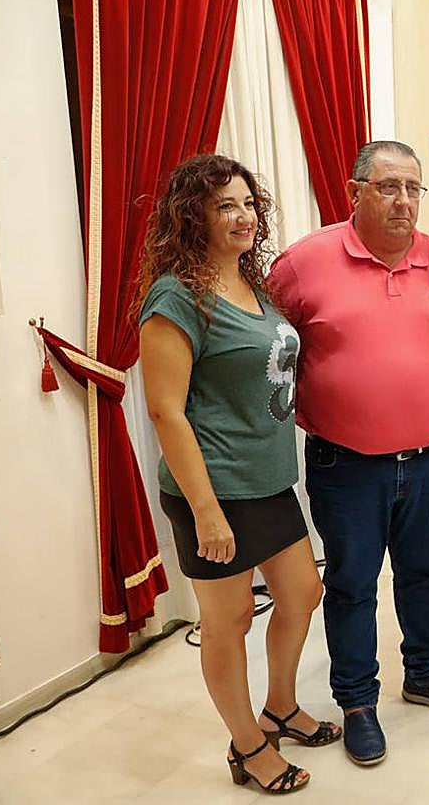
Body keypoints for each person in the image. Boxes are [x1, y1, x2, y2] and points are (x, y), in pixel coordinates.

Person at [266, 140, 429, 768]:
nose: (404, 202)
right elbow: (261, 339)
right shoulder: (304, 263)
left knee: (425, 573)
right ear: (354, 190)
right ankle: (358, 702)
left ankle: (426, 672)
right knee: (353, 584)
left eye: (414, 189)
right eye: (388, 187)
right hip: (346, 463)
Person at [137, 154, 338, 796]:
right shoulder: (175, 294)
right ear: (190, 214)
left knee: (303, 594)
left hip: (270, 480)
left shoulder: (252, 283)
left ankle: (280, 706)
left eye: (249, 203)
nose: (243, 216)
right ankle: (248, 745)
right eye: (225, 205)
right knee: (228, 623)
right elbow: (165, 409)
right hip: (213, 488)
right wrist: (205, 511)